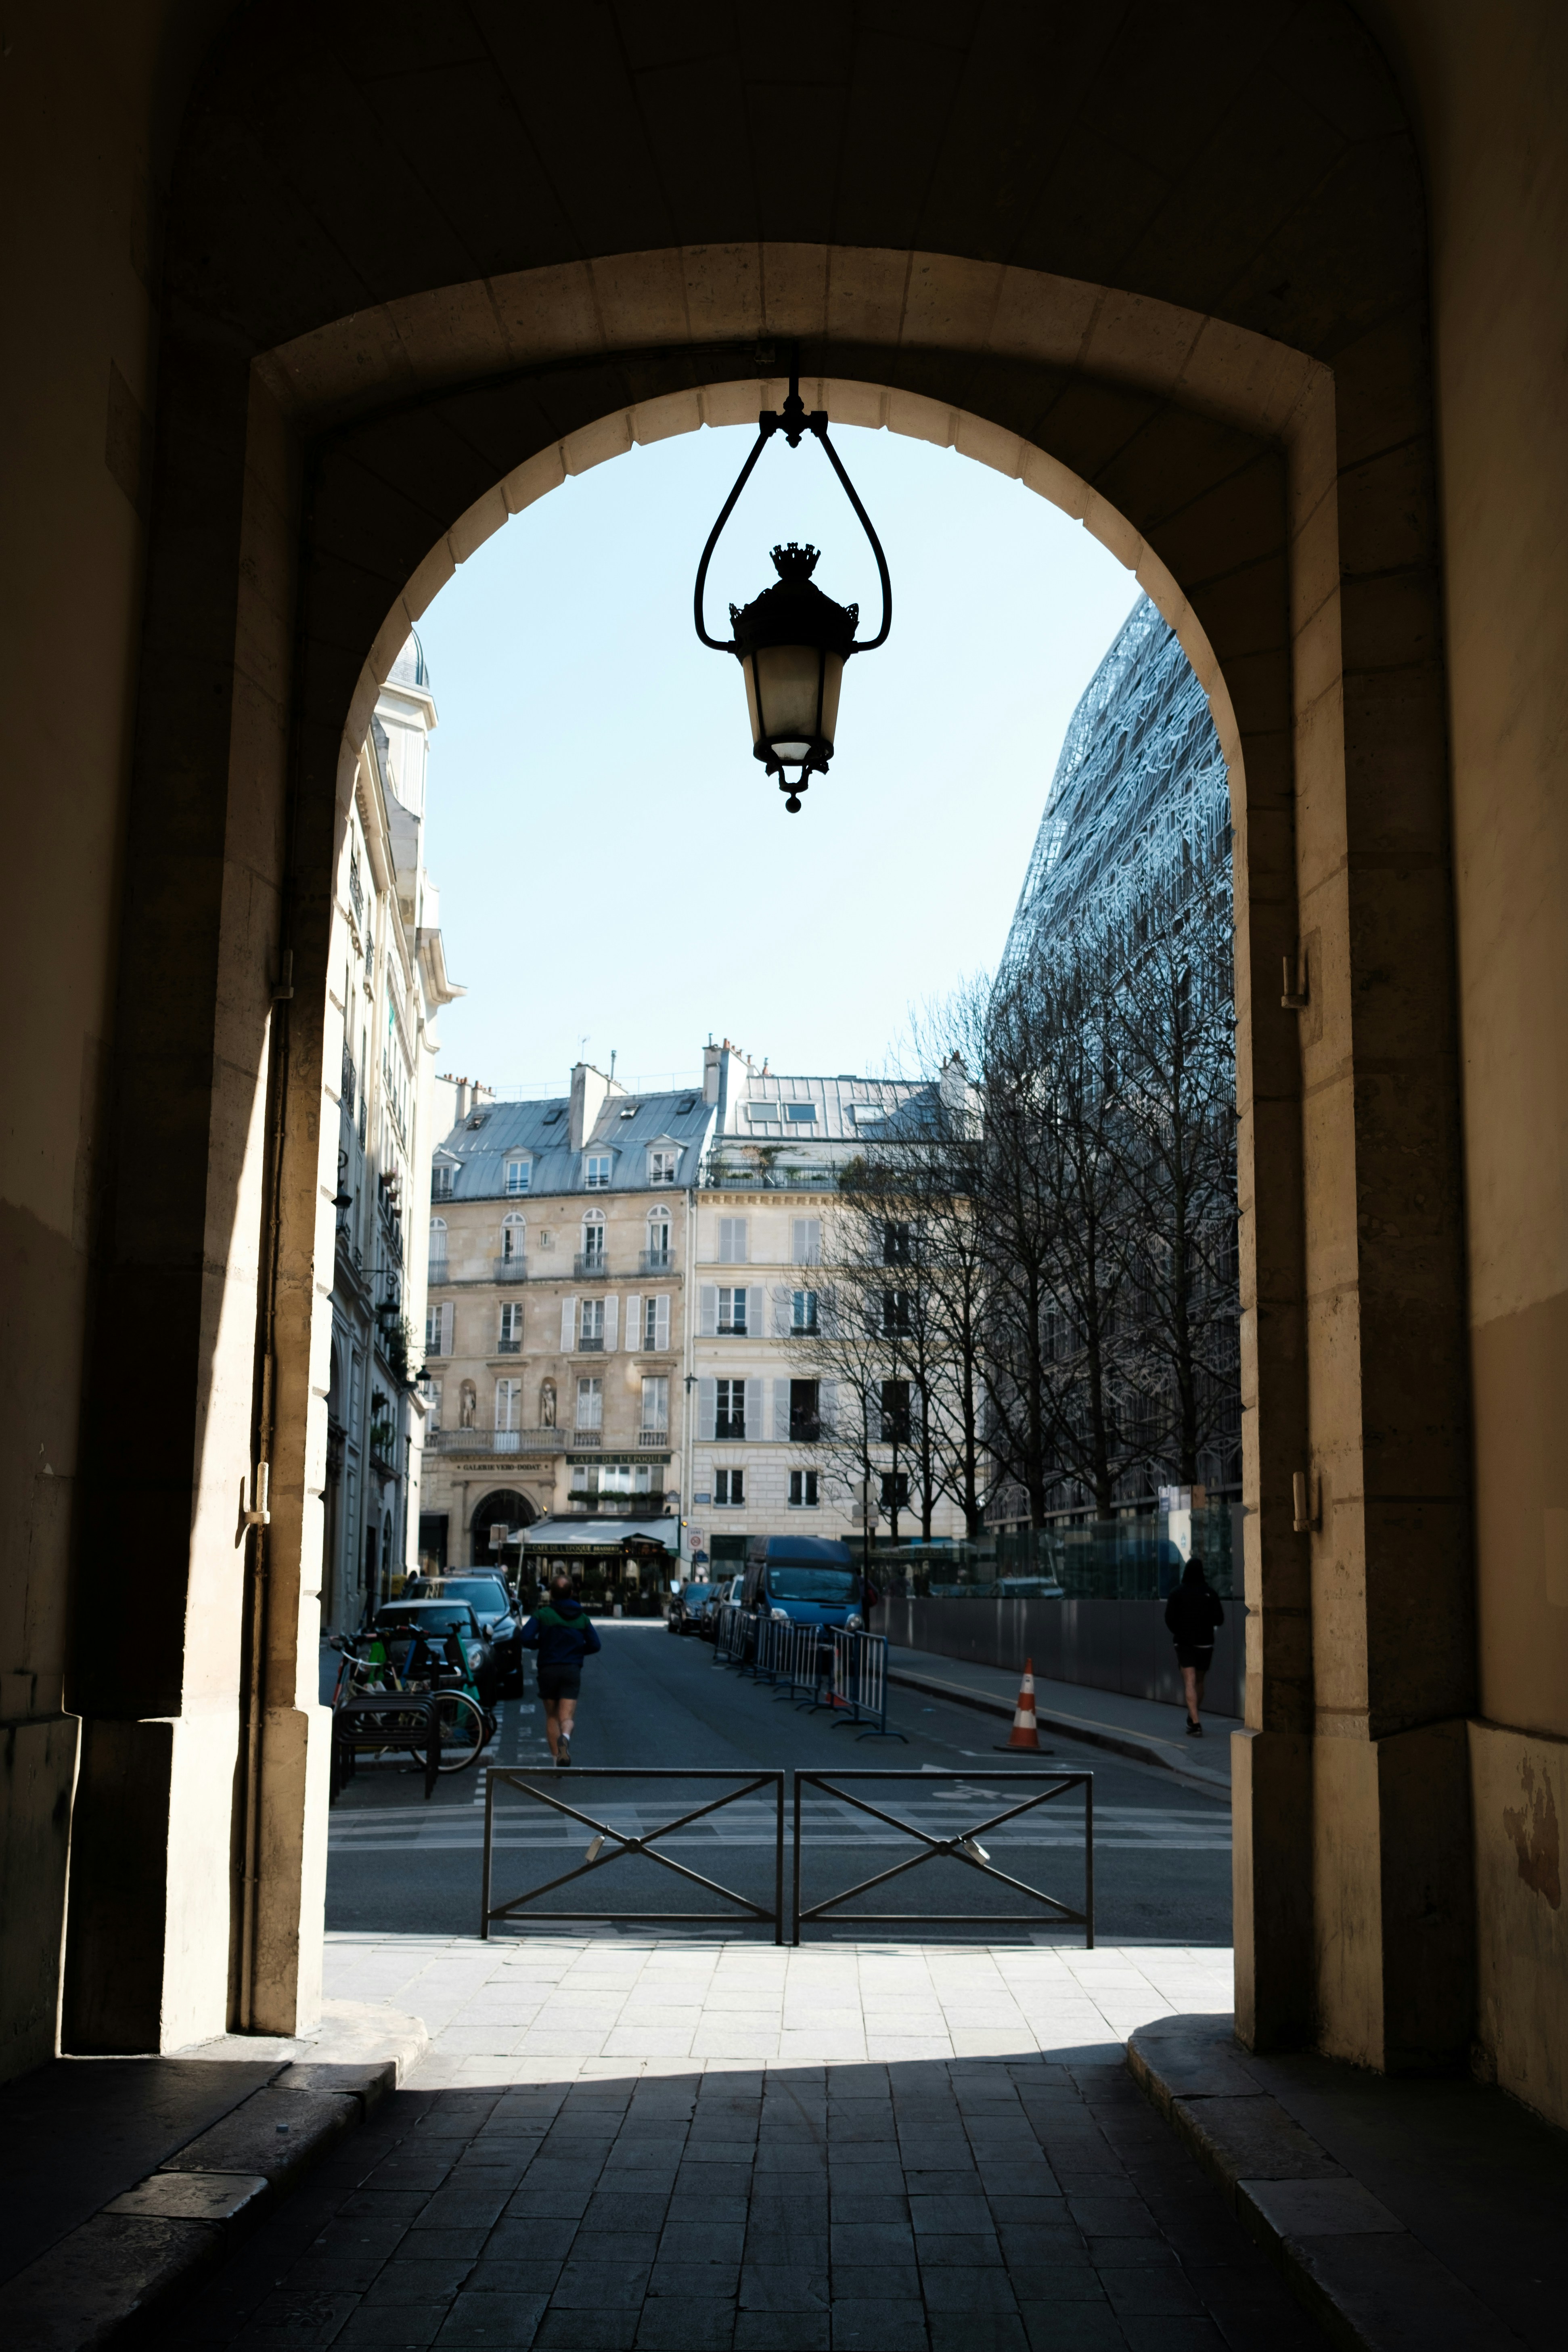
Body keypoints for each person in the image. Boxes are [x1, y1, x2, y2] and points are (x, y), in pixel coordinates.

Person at [521, 1568, 601, 1765]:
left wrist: (541, 1645)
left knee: (551, 1716)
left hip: (548, 1669)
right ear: (572, 1593)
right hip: (571, 1670)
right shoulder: (582, 1618)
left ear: (552, 1594)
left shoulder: (543, 1614)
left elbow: (525, 1637)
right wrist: (576, 1652)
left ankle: (556, 1760)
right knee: (567, 1717)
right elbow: (596, 1645)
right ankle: (565, 1737)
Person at [1164, 1555, 1225, 1736]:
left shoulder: (1177, 1593)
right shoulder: (1210, 1593)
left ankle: (1195, 1722)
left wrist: (1180, 1632)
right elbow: (1219, 1619)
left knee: (1189, 1681)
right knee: (1199, 1682)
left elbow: (1169, 1620)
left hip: (1184, 1643)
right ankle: (1193, 1717)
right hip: (1205, 1644)